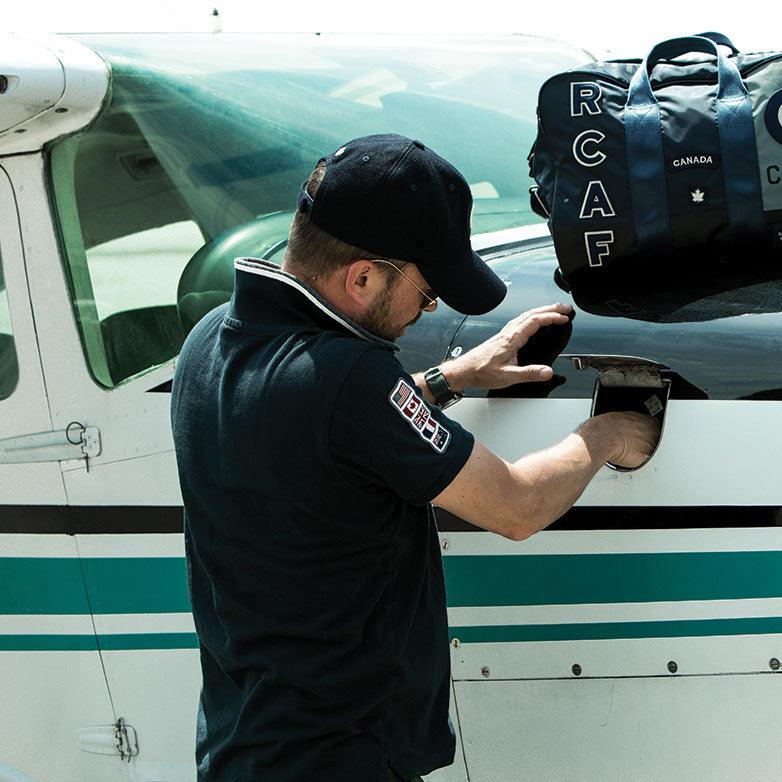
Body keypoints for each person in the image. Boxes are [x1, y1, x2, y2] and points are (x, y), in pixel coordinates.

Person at [170, 133, 660, 782]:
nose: (428, 309)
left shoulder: (212, 341)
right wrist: (610, 432)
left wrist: (452, 377)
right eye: (427, 291)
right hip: (342, 762)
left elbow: (315, 437)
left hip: (244, 750)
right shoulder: (351, 382)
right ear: (363, 275)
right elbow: (515, 507)